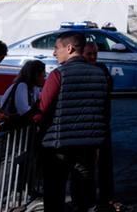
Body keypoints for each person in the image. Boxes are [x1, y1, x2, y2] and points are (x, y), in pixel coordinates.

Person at [35, 31, 109, 212]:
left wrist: (5, 124)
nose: (54, 53)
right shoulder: (100, 74)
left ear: (69, 48)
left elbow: (40, 110)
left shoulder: (58, 75)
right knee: (84, 195)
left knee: (54, 194)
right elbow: (105, 113)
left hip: (58, 147)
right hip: (88, 146)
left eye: (56, 48)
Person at [83, 43, 123, 212]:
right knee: (87, 166)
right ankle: (89, 201)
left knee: (105, 164)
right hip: (86, 126)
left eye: (95, 54)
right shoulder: (81, 70)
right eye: (89, 54)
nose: (92, 57)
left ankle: (107, 198)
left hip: (102, 123)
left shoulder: (102, 69)